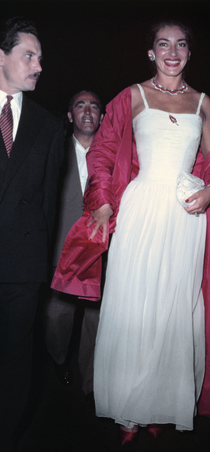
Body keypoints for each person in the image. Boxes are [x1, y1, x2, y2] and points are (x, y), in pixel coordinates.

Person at [52, 20, 210, 445]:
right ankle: (127, 409)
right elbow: (102, 150)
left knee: (174, 310)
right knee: (134, 304)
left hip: (185, 215)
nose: (172, 52)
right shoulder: (131, 96)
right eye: (163, 44)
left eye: (180, 45)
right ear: (151, 52)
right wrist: (101, 201)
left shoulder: (202, 103)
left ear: (190, 53)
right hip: (140, 209)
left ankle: (161, 403)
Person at [0, 17, 64, 452]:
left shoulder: (47, 126)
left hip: (21, 268)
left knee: (15, 360)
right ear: (1, 56)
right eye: (29, 55)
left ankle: (3, 442)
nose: (39, 65)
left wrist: (39, 267)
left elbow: (47, 204)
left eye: (40, 57)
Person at [43, 91, 104, 393]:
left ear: (103, 117)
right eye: (80, 105)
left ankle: (90, 381)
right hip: (62, 247)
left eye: (94, 105)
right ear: (70, 116)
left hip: (100, 249)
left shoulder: (112, 155)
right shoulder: (54, 149)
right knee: (57, 316)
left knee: (95, 318)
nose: (88, 110)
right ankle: (58, 360)